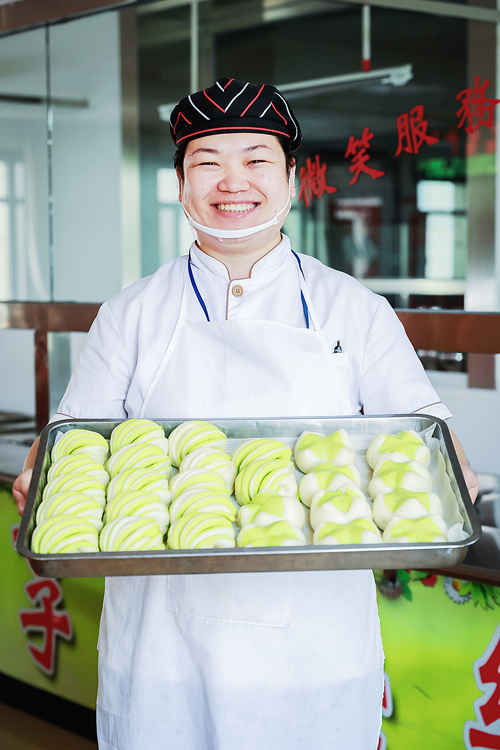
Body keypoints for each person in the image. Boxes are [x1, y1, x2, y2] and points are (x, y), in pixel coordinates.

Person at [13, 78, 478, 749]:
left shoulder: (355, 309)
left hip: (313, 654)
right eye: (207, 162)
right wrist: (42, 479)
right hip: (160, 652)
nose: (233, 182)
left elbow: (426, 440)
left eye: (256, 159)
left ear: (293, 178)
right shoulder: (130, 314)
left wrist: (450, 477)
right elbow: (73, 444)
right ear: (181, 184)